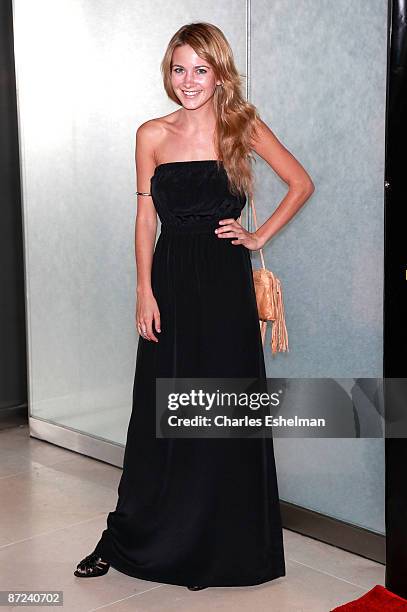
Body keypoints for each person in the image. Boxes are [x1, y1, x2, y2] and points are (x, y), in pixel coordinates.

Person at [74, 22, 314, 590]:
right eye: (179, 69)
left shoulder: (241, 127)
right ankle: (135, 535)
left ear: (219, 72)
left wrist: (258, 238)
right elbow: (144, 217)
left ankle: (221, 540)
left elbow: (299, 182)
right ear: (169, 73)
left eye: (200, 70)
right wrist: (143, 290)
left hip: (226, 287)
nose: (188, 81)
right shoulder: (150, 134)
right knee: (158, 414)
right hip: (171, 284)